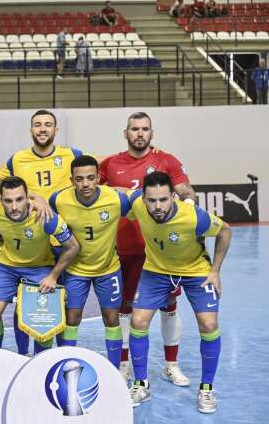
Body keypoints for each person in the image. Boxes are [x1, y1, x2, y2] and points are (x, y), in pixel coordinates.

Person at [99, 111, 195, 384]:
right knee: (126, 307)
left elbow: (187, 193)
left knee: (169, 304)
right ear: (125, 133)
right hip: (126, 249)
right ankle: (125, 365)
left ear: (151, 133)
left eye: (144, 129)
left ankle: (171, 365)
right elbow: (94, 193)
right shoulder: (110, 165)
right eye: (134, 129)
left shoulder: (166, 160)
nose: (139, 133)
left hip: (162, 251)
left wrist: (185, 222)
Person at [0, 109, 90, 354]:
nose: (43, 129)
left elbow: (98, 166)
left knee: (56, 310)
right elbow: (1, 187)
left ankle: (58, 357)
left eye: (48, 124)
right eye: (38, 125)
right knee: (23, 308)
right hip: (25, 236)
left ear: (56, 130)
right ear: (31, 130)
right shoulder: (17, 160)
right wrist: (33, 199)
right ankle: (16, 357)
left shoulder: (71, 154)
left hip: (57, 241)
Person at [127, 171, 231, 414]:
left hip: (196, 270)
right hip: (156, 270)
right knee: (138, 320)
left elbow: (225, 231)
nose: (157, 206)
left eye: (163, 199)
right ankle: (141, 384)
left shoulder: (194, 217)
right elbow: (117, 194)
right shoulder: (137, 205)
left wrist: (215, 271)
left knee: (208, 324)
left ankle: (206, 387)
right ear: (143, 198)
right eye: (151, 200)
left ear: (173, 196)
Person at [49, 155, 131, 369]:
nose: (85, 184)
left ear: (98, 178)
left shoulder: (116, 199)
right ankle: (66, 366)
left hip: (108, 269)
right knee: (73, 317)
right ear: (71, 180)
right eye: (79, 179)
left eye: (90, 178)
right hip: (76, 270)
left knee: (112, 317)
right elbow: (41, 215)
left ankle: (115, 369)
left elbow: (141, 201)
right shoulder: (58, 200)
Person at [0, 176, 79, 351]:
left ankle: (40, 364)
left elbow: (72, 246)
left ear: (27, 198)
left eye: (19, 199)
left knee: (42, 322)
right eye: (8, 201)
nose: (14, 206)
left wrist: (53, 276)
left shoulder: (46, 217)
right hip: (6, 267)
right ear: (0, 200)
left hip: (39, 267)